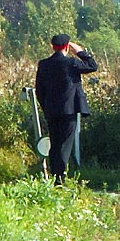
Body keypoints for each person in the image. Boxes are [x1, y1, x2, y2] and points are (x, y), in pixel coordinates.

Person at [35, 33, 98, 185]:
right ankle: (60, 178)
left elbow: (39, 90)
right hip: (69, 111)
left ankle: (55, 176)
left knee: (55, 144)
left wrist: (46, 106)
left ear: (53, 47)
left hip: (51, 111)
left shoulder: (44, 64)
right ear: (67, 47)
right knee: (65, 145)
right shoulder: (71, 63)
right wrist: (81, 52)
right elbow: (93, 66)